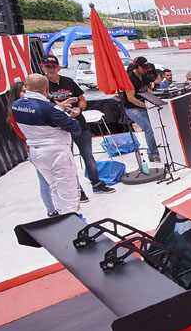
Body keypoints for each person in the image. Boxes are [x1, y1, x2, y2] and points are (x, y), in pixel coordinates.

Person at [40, 55, 114, 197]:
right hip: (60, 129)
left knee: (88, 155)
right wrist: (60, 108)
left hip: (79, 123)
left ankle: (96, 183)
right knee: (68, 161)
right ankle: (77, 190)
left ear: (58, 67)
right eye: (47, 67)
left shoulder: (68, 81)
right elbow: (42, 107)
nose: (51, 69)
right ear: (42, 67)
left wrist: (79, 109)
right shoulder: (42, 85)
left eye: (53, 67)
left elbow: (82, 99)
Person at [10, 74, 82, 215]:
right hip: (56, 153)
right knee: (69, 190)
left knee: (54, 187)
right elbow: (75, 127)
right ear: (47, 89)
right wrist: (63, 112)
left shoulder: (16, 106)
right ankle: (75, 221)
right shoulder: (51, 109)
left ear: (27, 87)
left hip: (35, 152)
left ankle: (61, 216)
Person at [122, 57, 160, 163]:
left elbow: (147, 89)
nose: (145, 71)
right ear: (136, 67)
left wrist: (154, 98)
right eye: (143, 68)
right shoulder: (130, 79)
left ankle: (156, 149)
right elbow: (131, 98)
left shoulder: (144, 76)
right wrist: (146, 106)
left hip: (144, 105)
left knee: (155, 126)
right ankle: (152, 154)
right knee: (149, 129)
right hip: (133, 108)